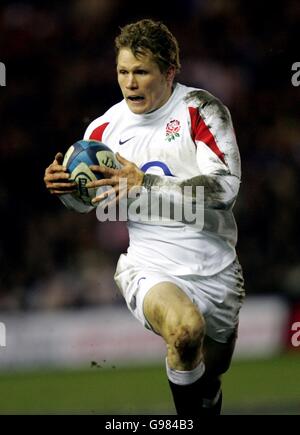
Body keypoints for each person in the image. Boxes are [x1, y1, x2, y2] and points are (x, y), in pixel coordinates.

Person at [44, 19, 245, 416]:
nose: (130, 83)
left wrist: (145, 183)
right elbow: (92, 202)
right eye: (123, 72)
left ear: (168, 72)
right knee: (185, 332)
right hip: (150, 267)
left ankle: (206, 400)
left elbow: (226, 188)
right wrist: (68, 191)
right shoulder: (103, 129)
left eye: (141, 71)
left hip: (216, 268)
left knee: (210, 373)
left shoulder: (200, 110)